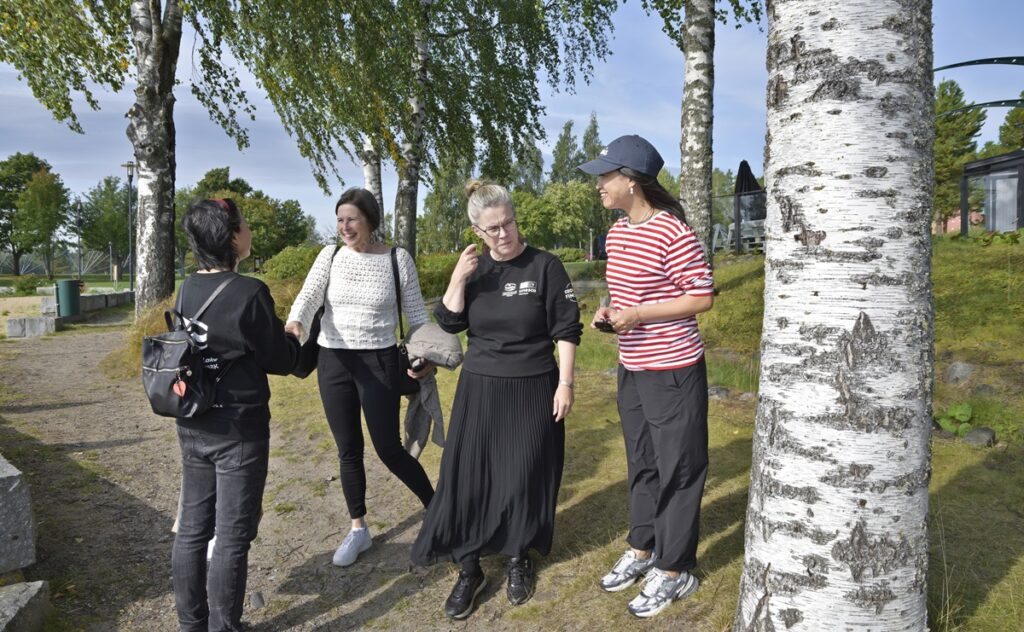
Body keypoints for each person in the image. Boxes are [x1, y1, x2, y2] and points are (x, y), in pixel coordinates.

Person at [411, 181, 582, 619]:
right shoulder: (476, 270)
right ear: (477, 231)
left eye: (508, 223)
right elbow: (448, 321)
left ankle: (517, 556)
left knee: (523, 472)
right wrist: (458, 277)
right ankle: (470, 567)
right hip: (481, 387)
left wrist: (565, 383)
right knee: (467, 476)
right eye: (493, 229)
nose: (504, 234)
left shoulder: (545, 266)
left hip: (533, 385)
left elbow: (566, 328)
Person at [577, 135, 715, 619]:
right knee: (641, 461)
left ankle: (675, 571)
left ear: (631, 182)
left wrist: (641, 315)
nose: (599, 184)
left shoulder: (672, 232)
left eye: (605, 175)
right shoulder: (617, 234)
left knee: (679, 467)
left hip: (673, 369)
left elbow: (701, 296)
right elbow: (624, 299)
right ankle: (643, 549)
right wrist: (609, 314)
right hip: (632, 367)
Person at [285, 188, 434, 568]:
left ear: (370, 220)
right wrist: (295, 322)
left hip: (380, 361)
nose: (344, 227)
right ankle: (358, 529)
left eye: (351, 219)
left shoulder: (398, 259)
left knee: (388, 449)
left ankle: (438, 510)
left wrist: (426, 355)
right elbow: (309, 295)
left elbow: (417, 315)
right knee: (347, 449)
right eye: (339, 220)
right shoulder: (329, 255)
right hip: (333, 361)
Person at [172, 198, 301, 632]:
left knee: (193, 527)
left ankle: (192, 624)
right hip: (239, 429)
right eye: (243, 224)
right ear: (231, 237)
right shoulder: (250, 293)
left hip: (194, 420)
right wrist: (294, 337)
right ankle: (224, 627)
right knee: (231, 535)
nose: (248, 229)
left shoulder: (187, 289)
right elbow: (279, 360)